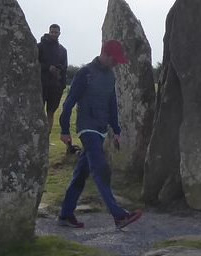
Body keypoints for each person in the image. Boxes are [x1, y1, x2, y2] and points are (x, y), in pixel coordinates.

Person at [58, 40, 143, 230]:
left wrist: (117, 130)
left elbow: (112, 104)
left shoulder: (110, 76)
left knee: (81, 174)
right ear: (104, 54)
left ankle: (65, 214)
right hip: (87, 128)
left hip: (101, 129)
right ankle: (119, 216)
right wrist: (64, 129)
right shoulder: (85, 73)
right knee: (101, 169)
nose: (116, 64)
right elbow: (69, 102)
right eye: (114, 60)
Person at [37, 24, 69, 144]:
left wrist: (62, 84)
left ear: (59, 33)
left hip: (56, 86)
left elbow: (65, 68)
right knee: (38, 112)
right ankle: (37, 138)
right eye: (52, 32)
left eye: (56, 32)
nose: (54, 34)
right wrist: (47, 67)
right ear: (49, 32)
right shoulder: (39, 47)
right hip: (41, 84)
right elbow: (34, 63)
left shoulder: (62, 50)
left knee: (51, 113)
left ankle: (46, 139)